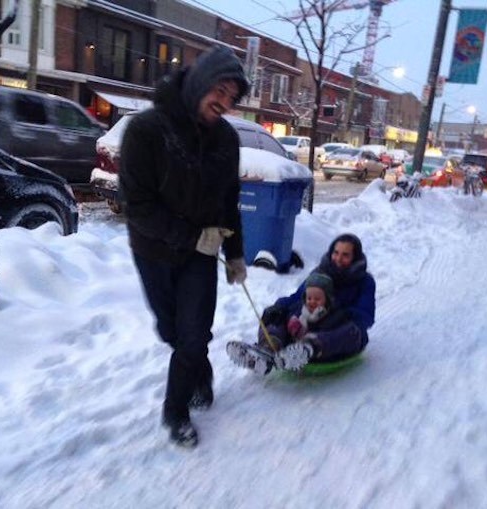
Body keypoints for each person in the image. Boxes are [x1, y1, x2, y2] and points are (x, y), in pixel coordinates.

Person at [119, 46, 249, 448]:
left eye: (232, 98)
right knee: (172, 331)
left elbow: (229, 201)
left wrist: (236, 253)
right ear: (199, 83)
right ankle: (199, 371)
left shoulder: (226, 139)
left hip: (201, 256)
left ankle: (175, 411)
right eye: (221, 92)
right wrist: (193, 236)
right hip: (153, 250)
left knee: (193, 334)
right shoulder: (146, 130)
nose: (225, 104)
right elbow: (136, 207)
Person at [228, 233, 375, 373]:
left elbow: (366, 316)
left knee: (351, 331)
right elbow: (298, 297)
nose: (338, 258)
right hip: (310, 323)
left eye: (345, 255)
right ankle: (268, 349)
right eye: (336, 253)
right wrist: (278, 306)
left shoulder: (364, 281)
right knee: (281, 314)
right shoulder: (320, 272)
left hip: (337, 331)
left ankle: (306, 350)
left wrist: (340, 313)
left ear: (355, 258)